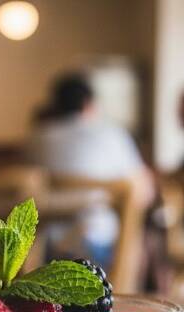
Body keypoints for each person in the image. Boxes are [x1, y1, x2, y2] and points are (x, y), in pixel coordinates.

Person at [28, 73, 150, 266]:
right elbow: (144, 191)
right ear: (89, 103)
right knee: (139, 240)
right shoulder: (113, 134)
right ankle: (130, 290)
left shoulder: (37, 138)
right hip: (100, 248)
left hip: (43, 251)